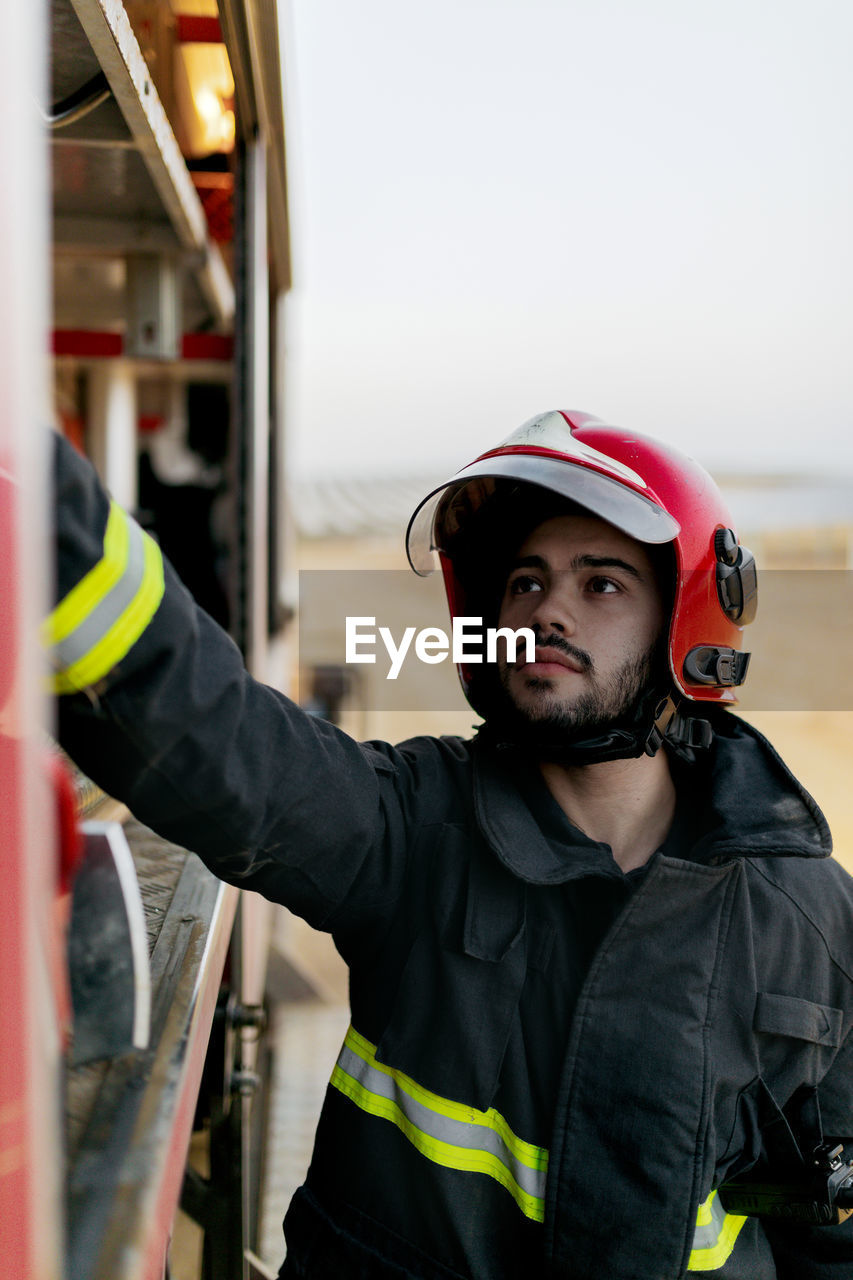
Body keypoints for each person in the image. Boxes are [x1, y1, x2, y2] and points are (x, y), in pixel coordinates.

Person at [48, 410, 853, 1280]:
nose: (545, 610)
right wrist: (39, 492)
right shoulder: (415, 827)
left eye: (602, 584)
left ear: (684, 623)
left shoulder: (808, 923)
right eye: (523, 582)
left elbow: (830, 1226)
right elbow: (222, 741)